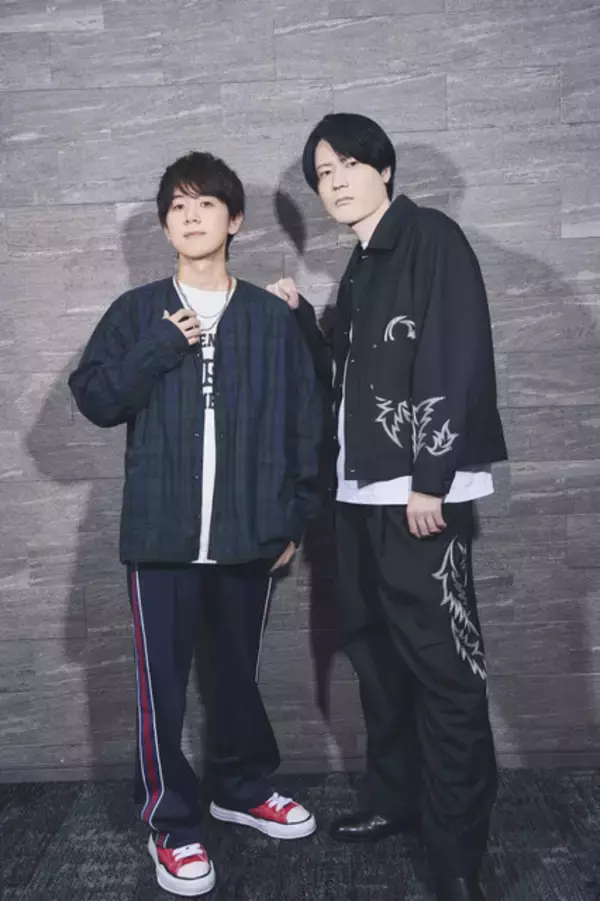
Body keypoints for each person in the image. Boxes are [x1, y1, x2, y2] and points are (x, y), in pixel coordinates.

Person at [69, 151, 324, 897]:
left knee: (236, 677)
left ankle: (240, 788)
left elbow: (307, 421)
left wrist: (294, 520)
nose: (191, 215)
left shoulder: (269, 318)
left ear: (233, 220)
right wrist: (159, 347)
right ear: (164, 225)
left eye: (206, 203)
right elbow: (96, 399)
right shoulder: (137, 313)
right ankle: (172, 823)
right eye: (178, 205)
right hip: (162, 540)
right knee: (164, 690)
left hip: (250, 536)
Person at [268, 113, 508, 901]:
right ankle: (397, 798)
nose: (334, 182)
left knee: (446, 673)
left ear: (384, 168)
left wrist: (431, 477)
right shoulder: (362, 265)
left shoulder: (431, 238)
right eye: (322, 174)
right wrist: (303, 322)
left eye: (345, 165)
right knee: (378, 659)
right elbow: (344, 380)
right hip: (357, 495)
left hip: (416, 497)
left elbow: (456, 351)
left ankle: (457, 853)